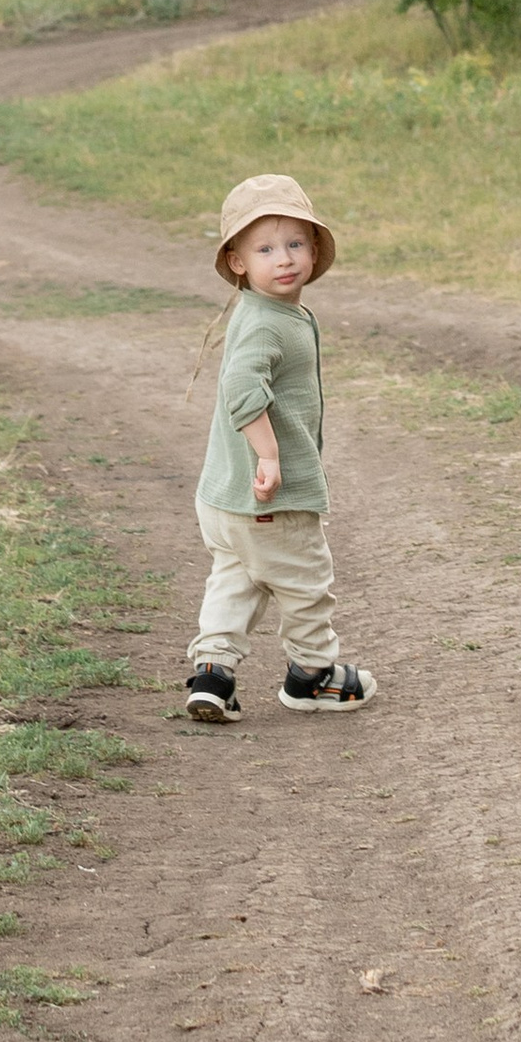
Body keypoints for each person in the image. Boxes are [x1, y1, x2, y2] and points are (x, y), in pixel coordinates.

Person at [183, 173, 376, 723]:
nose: (284, 258)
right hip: (270, 497)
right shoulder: (268, 323)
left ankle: (212, 675)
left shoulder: (260, 311)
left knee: (236, 579)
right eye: (265, 248)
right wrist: (270, 456)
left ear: (314, 250)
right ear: (238, 261)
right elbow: (242, 391)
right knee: (305, 581)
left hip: (223, 501)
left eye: (295, 244)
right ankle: (311, 675)